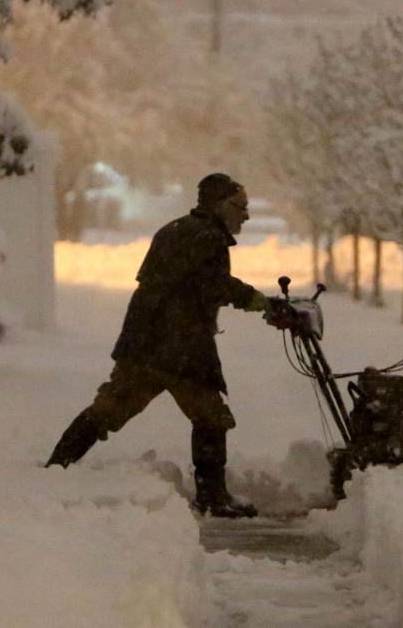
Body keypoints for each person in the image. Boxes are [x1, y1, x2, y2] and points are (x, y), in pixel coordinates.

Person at [45, 173, 269, 518]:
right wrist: (261, 302)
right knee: (211, 417)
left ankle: (56, 467)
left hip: (146, 341)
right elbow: (214, 285)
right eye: (241, 207)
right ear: (221, 205)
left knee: (110, 408)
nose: (246, 215)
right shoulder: (207, 237)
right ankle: (212, 498)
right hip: (180, 346)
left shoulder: (175, 230)